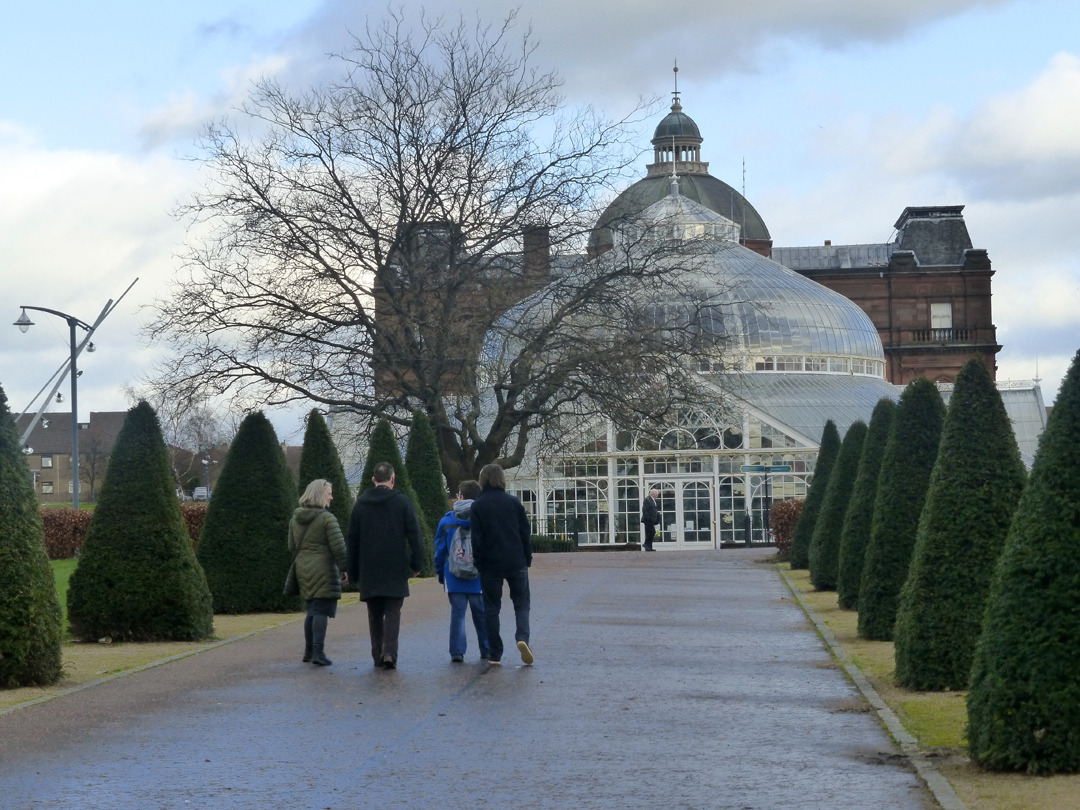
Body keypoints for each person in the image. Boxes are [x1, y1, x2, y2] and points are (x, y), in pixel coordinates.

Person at [346, 462, 424, 669]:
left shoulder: (360, 504)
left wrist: (351, 572)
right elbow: (415, 535)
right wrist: (416, 564)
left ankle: (376, 655)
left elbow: (352, 540)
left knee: (374, 613)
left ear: (373, 480)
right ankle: (389, 651)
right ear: (393, 479)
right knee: (392, 611)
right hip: (394, 565)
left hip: (369, 567)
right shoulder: (403, 502)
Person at [470, 463, 533, 665]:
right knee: (522, 603)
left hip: (490, 565)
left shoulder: (478, 505)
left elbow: (476, 540)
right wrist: (527, 557)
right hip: (516, 561)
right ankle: (522, 638)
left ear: (483, 480)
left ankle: (495, 653)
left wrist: (479, 563)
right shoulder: (514, 502)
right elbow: (525, 532)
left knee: (491, 608)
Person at [289, 478, 348, 666]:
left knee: (312, 610)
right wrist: (346, 568)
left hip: (302, 568)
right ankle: (318, 652)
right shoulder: (327, 518)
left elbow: (291, 545)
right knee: (321, 609)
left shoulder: (295, 518)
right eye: (329, 493)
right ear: (320, 495)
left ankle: (308, 651)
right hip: (323, 569)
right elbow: (338, 548)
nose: (332, 497)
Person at [433, 480, 490, 663]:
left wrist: (441, 574)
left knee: (457, 615)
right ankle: (487, 649)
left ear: (461, 496)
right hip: (478, 576)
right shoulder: (484, 518)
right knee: (481, 614)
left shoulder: (447, 520)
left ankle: (457, 652)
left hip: (454, 575)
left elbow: (440, 551)